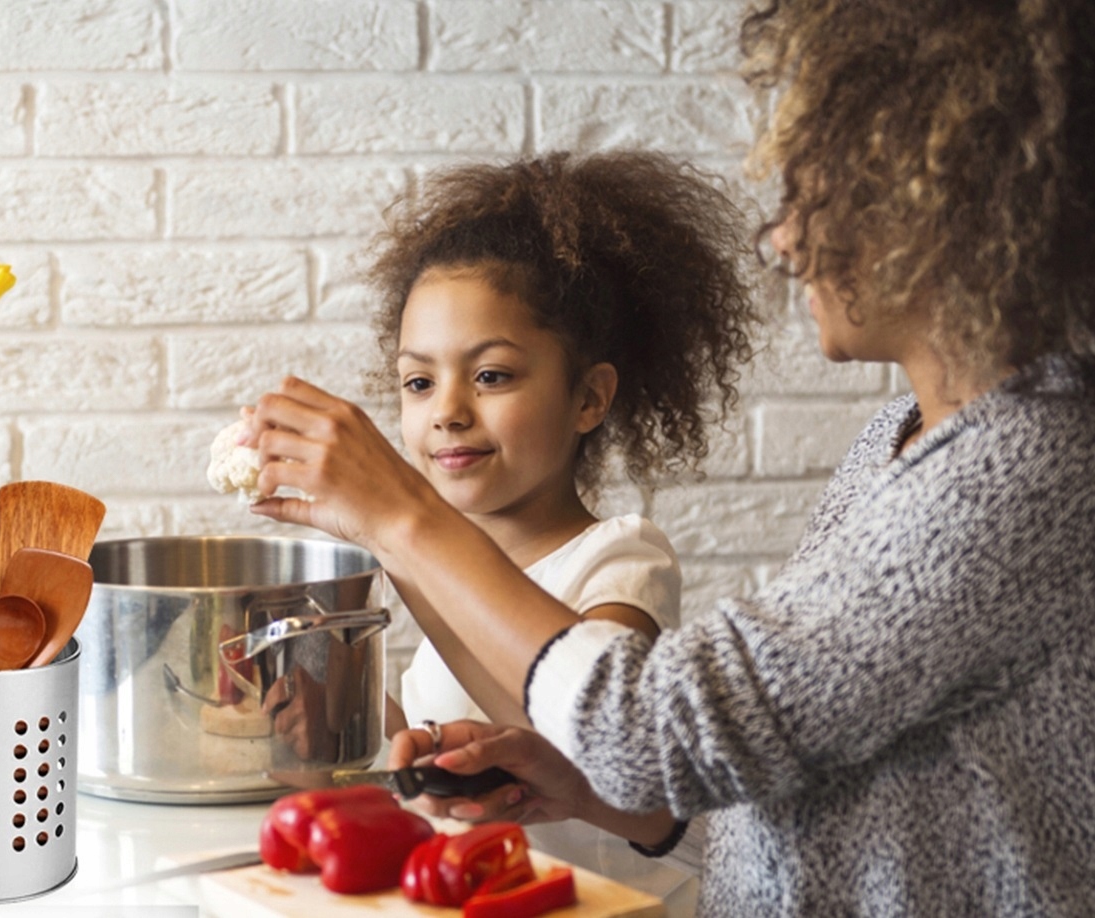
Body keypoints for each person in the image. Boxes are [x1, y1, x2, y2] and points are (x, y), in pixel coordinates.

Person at [238, 0, 1095, 914]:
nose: (784, 240)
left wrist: (399, 516)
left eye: (813, 194)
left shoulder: (1022, 470)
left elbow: (654, 728)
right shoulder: (903, 442)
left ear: (941, 207)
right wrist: (604, 802)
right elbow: (781, 775)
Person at [357, 150, 756, 902]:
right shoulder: (444, 569)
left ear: (588, 398)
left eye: (491, 375)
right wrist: (346, 709)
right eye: (419, 381)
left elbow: (584, 746)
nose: (447, 411)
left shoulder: (620, 559)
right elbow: (445, 755)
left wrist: (404, 539)